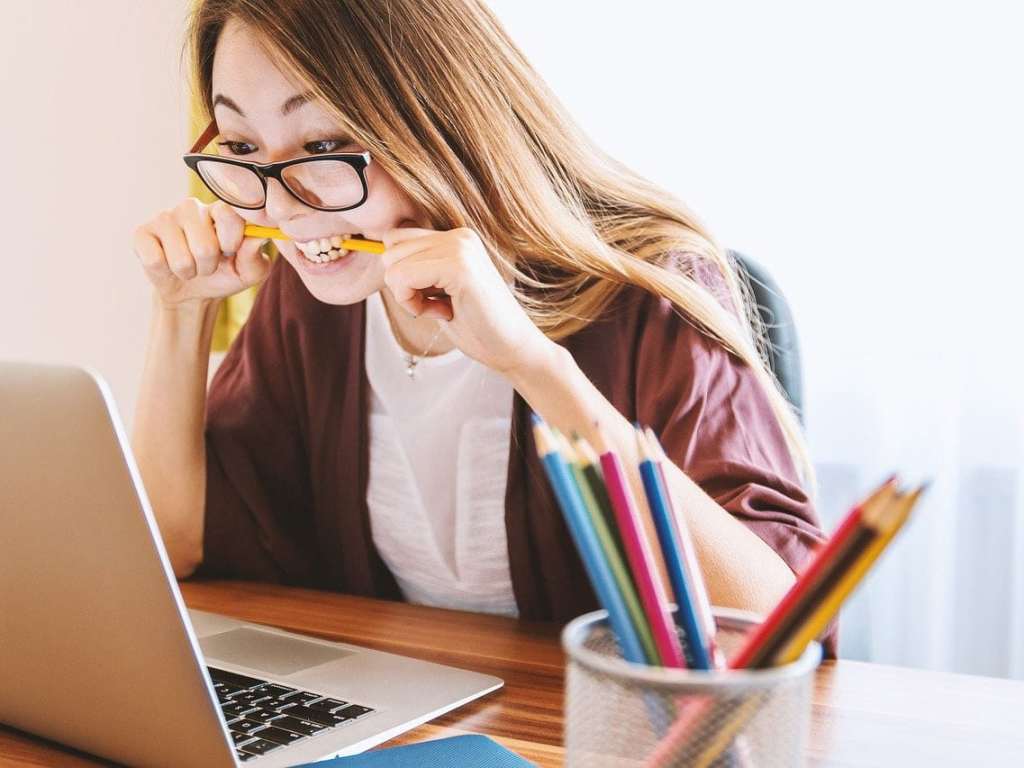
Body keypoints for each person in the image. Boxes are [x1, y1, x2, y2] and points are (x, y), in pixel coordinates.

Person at [132, 0, 834, 652]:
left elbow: (776, 627)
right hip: (414, 723)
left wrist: (533, 364)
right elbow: (171, 545)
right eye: (244, 147)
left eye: (323, 144)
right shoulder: (312, 301)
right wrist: (181, 313)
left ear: (438, 121)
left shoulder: (648, 291)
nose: (285, 207)